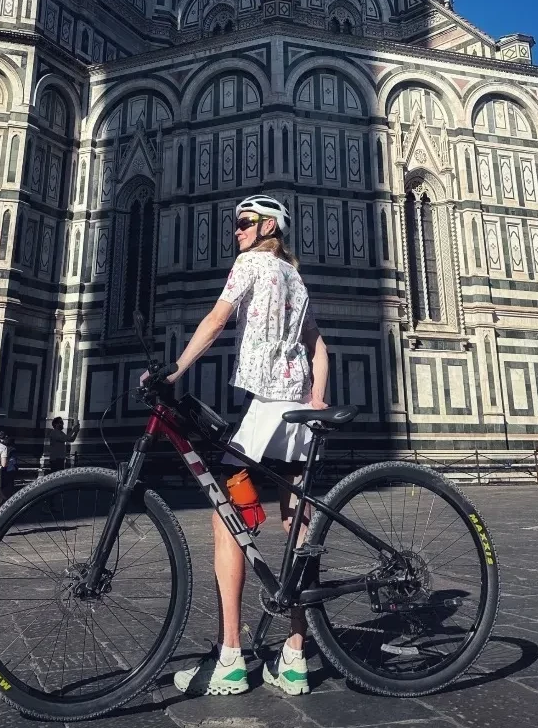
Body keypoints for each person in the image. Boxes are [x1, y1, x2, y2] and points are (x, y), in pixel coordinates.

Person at [157, 196, 329, 699]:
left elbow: (216, 319)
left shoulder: (251, 263)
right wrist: (317, 398)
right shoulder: (295, 278)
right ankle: (294, 656)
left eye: (245, 223)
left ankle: (230, 657)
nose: (236, 230)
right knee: (296, 525)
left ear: (268, 226)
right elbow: (319, 346)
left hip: (269, 410)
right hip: (297, 411)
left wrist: (175, 370)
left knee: (228, 518)